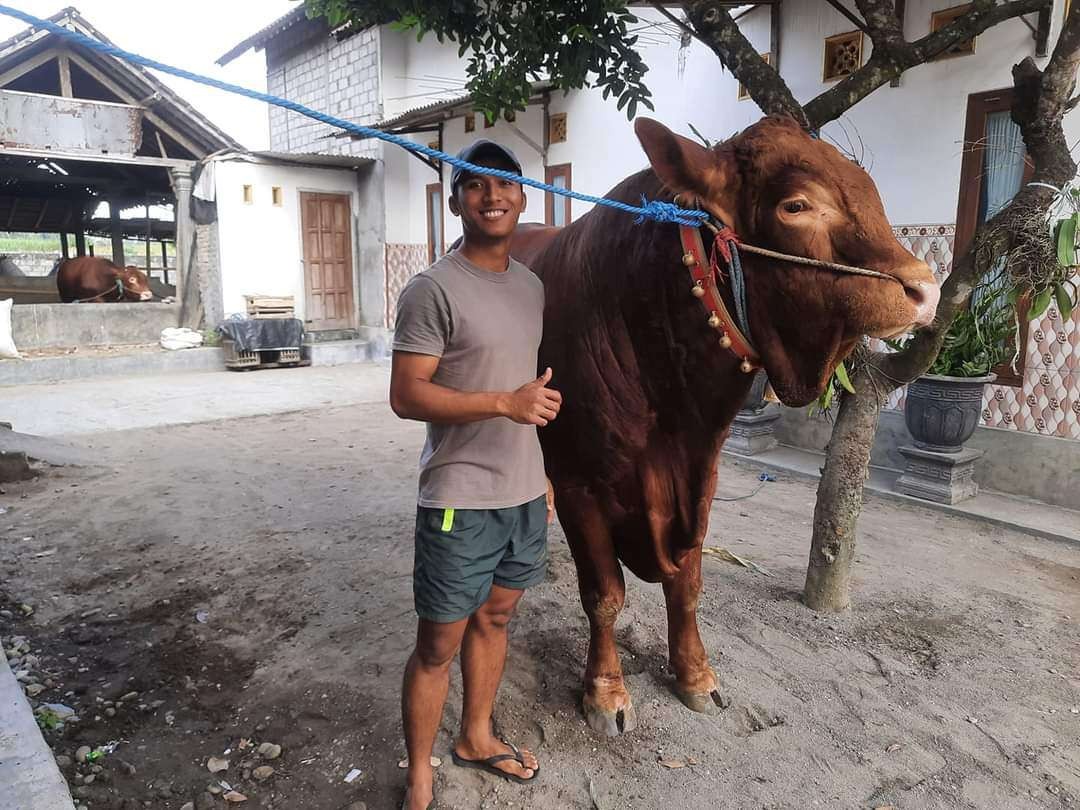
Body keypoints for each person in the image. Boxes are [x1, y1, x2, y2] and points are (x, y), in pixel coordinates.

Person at [389, 139, 562, 810]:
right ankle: (421, 770)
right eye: (476, 185)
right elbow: (407, 395)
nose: (493, 196)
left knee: (497, 620)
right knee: (438, 643)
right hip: (458, 495)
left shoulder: (531, 286)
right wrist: (502, 405)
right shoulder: (432, 288)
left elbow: (524, 382)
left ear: (522, 198)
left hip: (522, 493)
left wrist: (540, 471)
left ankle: (477, 736)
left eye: (506, 185)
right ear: (456, 199)